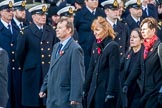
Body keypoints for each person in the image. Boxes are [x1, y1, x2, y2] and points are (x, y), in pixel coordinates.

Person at [15, 4, 57, 108]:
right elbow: (19, 55)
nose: (43, 17)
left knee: (46, 103)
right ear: (33, 16)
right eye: (40, 14)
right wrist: (28, 66)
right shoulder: (26, 32)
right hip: (32, 73)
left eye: (44, 14)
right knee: (33, 103)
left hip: (47, 72)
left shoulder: (50, 30)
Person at [39, 18, 85, 108]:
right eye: (57, 27)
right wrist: (44, 87)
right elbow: (51, 69)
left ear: (69, 30)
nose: (57, 29)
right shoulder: (56, 46)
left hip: (65, 97)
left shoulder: (75, 49)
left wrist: (75, 97)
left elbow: (77, 75)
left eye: (60, 27)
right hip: (53, 96)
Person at [123, 17, 162, 108]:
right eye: (141, 29)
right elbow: (137, 67)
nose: (142, 32)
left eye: (144, 29)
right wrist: (126, 83)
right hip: (144, 90)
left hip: (155, 90)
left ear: (153, 30)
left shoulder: (159, 47)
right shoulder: (144, 47)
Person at [83, 16, 120, 108]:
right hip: (94, 89)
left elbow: (113, 70)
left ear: (105, 30)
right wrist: (85, 88)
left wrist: (110, 92)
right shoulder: (96, 45)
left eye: (97, 30)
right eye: (93, 30)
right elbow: (91, 69)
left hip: (105, 90)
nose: (95, 33)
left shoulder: (113, 46)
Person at [74, 0, 105, 72]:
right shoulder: (80, 14)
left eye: (96, 0)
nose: (95, 2)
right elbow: (76, 29)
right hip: (85, 48)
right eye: (92, 0)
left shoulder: (101, 13)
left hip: (99, 47)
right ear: (86, 1)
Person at [120, 28, 143, 108]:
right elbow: (120, 65)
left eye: (135, 37)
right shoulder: (129, 52)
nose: (131, 39)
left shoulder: (144, 54)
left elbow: (137, 70)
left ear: (141, 40)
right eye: (130, 37)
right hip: (128, 89)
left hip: (138, 89)